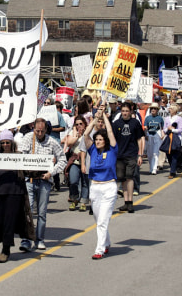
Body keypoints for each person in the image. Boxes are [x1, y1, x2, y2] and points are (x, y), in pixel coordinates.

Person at [0, 130, 35, 263]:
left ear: (12, 143)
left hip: (15, 192)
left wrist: (45, 166)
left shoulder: (19, 155)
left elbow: (29, 170)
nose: (5, 145)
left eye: (7, 142)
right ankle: (3, 239)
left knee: (9, 222)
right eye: (3, 142)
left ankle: (5, 249)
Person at [18, 118, 67, 251]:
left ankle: (40, 239)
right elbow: (20, 155)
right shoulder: (28, 138)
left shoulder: (52, 142)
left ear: (46, 130)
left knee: (42, 212)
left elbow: (63, 159)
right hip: (29, 179)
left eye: (42, 131)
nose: (39, 133)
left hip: (44, 180)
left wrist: (52, 172)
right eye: (37, 131)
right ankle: (26, 239)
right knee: (27, 211)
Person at [83, 108, 117, 259]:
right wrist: (95, 119)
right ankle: (107, 242)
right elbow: (85, 134)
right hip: (95, 187)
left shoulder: (112, 150)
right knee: (98, 219)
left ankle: (99, 250)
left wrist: (104, 116)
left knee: (103, 220)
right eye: (96, 140)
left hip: (109, 187)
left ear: (105, 141)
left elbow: (109, 132)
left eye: (100, 140)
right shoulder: (93, 151)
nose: (97, 142)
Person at [112, 103, 145, 213]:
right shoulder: (116, 124)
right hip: (119, 155)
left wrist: (140, 155)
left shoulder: (135, 123)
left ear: (131, 111)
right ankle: (126, 202)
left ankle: (130, 202)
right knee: (122, 179)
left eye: (127, 111)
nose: (125, 113)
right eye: (123, 111)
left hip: (131, 154)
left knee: (130, 177)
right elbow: (113, 140)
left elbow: (140, 139)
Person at [64, 116, 89, 211]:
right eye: (77, 124)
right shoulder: (73, 133)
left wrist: (84, 134)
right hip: (75, 160)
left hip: (86, 160)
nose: (79, 126)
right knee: (73, 180)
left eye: (81, 124)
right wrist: (77, 135)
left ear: (84, 124)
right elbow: (69, 143)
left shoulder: (88, 133)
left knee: (85, 182)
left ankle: (83, 202)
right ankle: (74, 199)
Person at [163, 105, 182, 179]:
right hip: (168, 138)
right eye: (170, 108)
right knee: (169, 155)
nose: (170, 109)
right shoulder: (167, 118)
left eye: (171, 108)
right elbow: (164, 128)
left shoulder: (179, 118)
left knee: (175, 155)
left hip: (176, 138)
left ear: (175, 110)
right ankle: (173, 167)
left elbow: (181, 129)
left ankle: (172, 172)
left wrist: (172, 130)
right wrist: (168, 129)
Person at [144, 103, 164, 175]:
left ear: (157, 110)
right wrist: (145, 133)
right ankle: (151, 167)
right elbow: (145, 126)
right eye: (152, 108)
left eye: (155, 109)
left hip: (157, 135)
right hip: (149, 135)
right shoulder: (148, 118)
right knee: (149, 153)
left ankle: (154, 168)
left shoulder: (160, 118)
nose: (153, 110)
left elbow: (162, 128)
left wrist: (162, 134)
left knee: (155, 153)